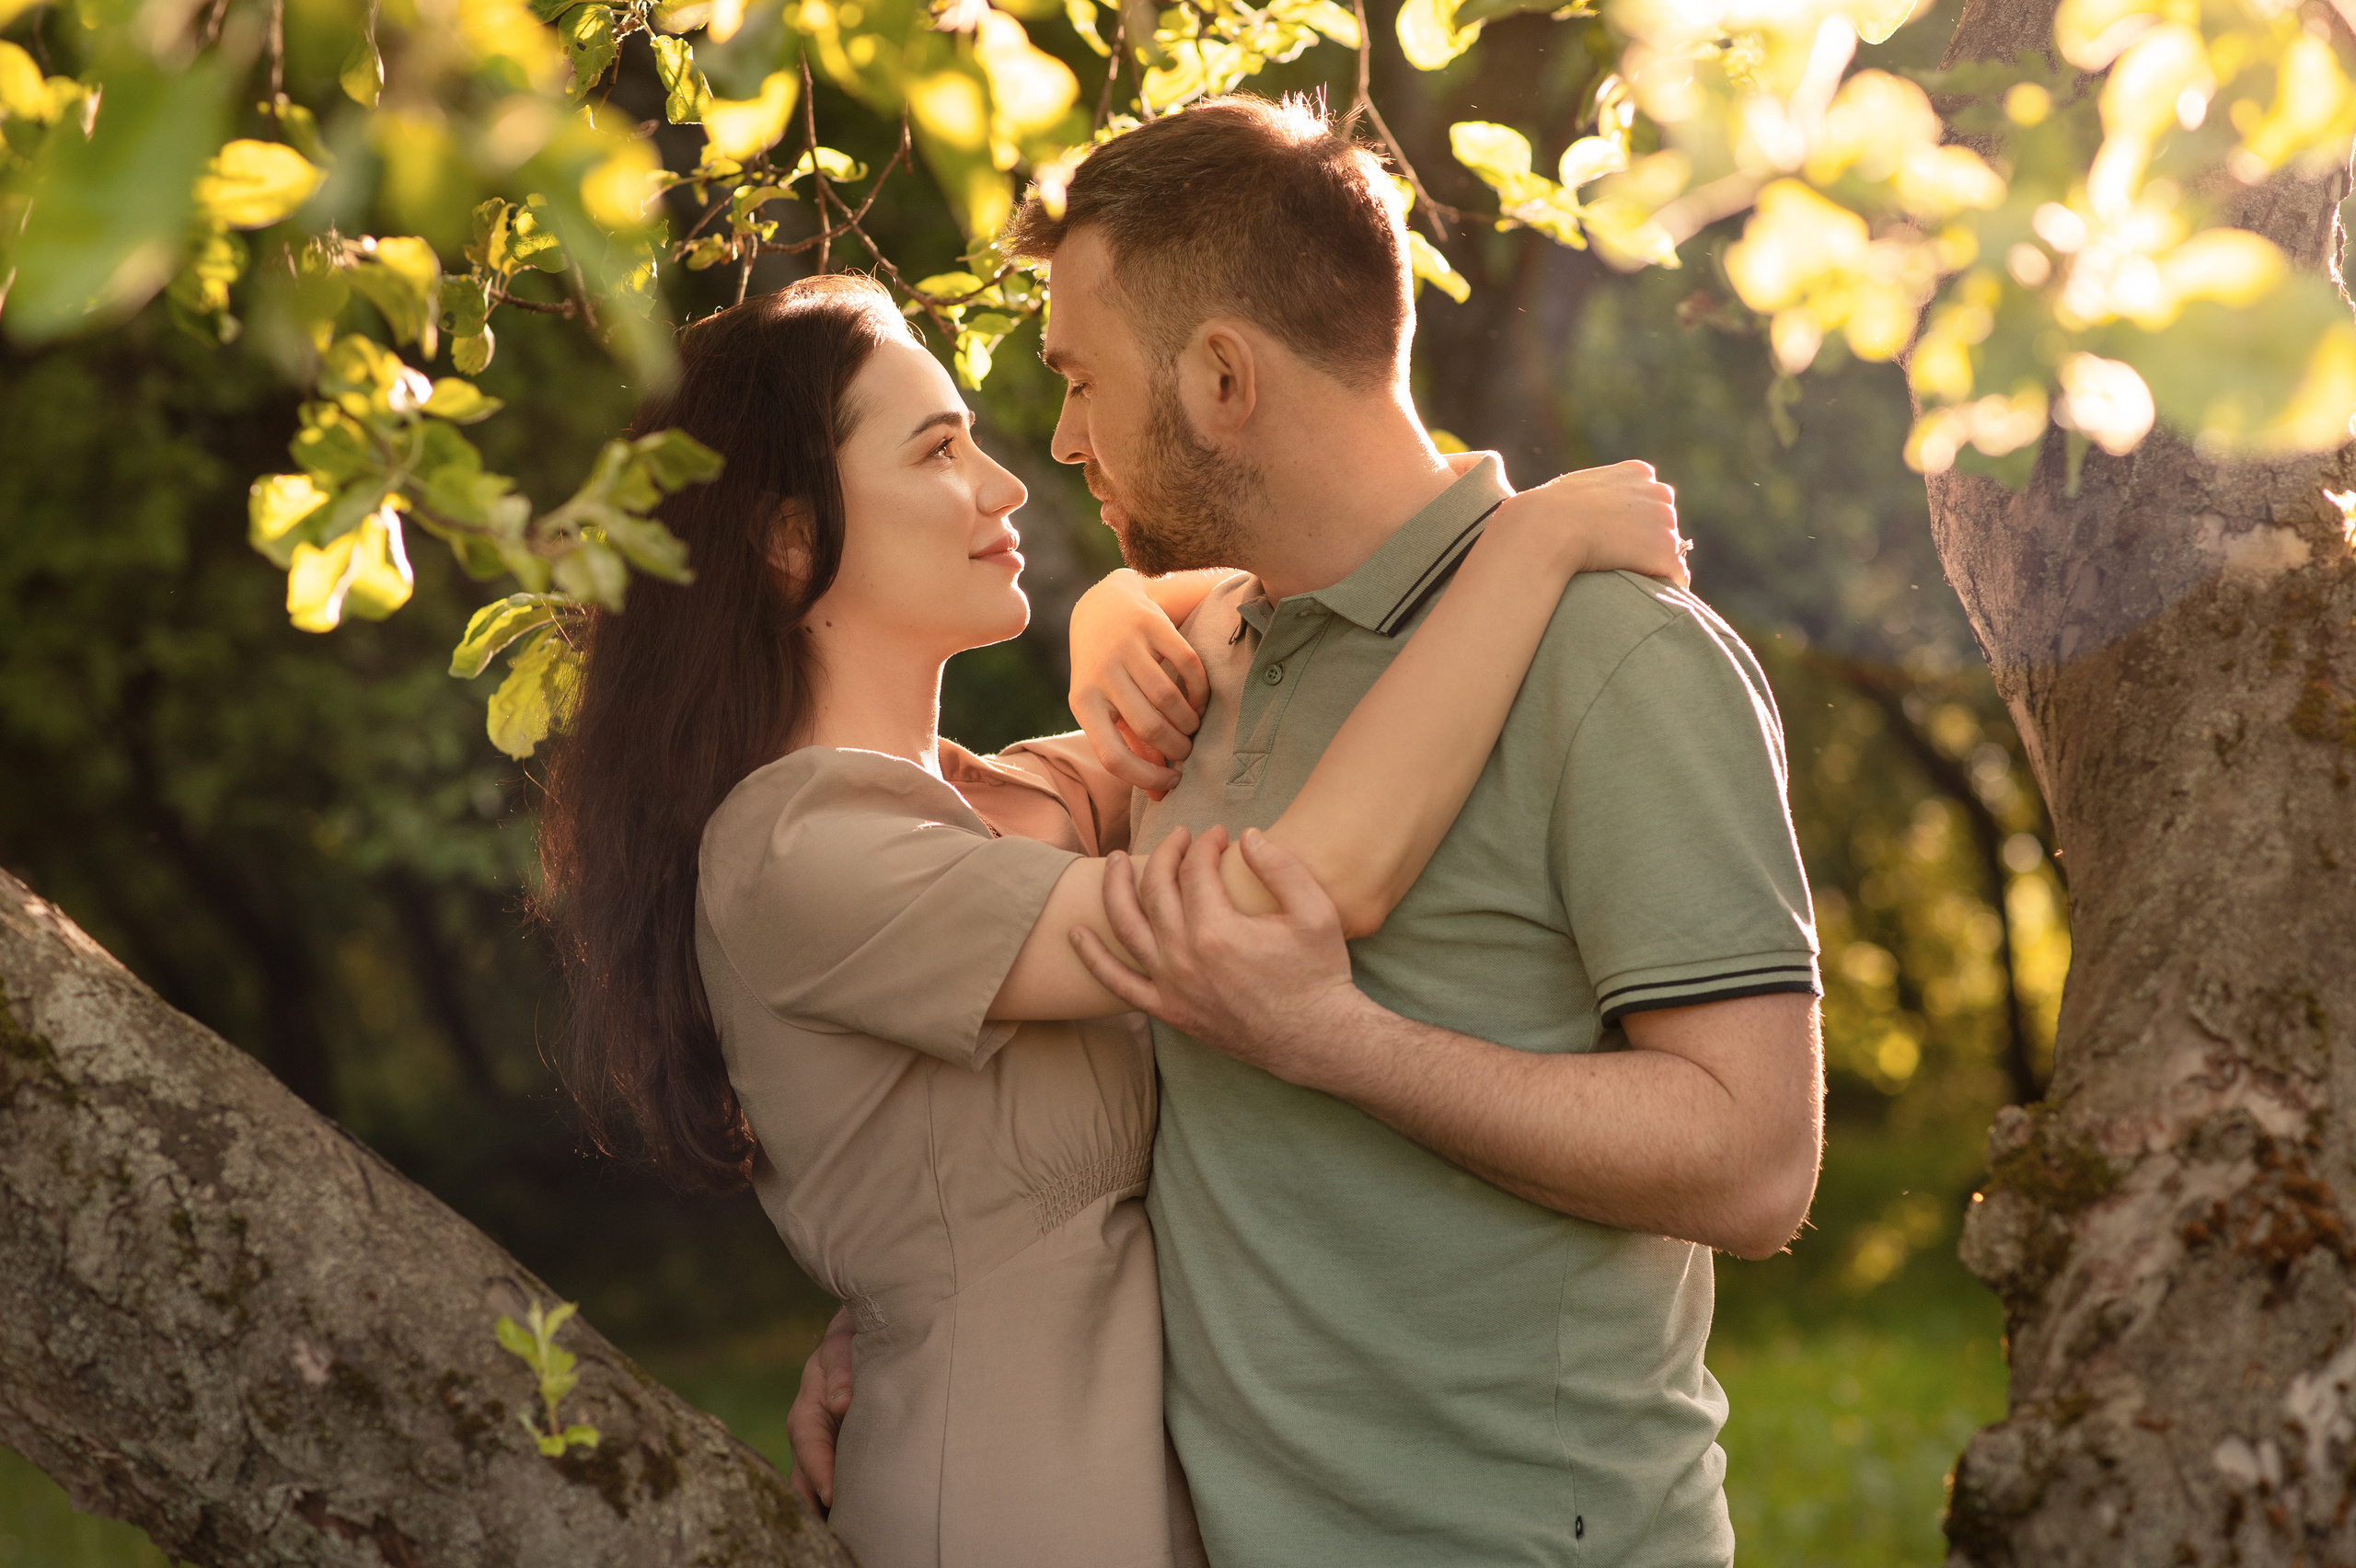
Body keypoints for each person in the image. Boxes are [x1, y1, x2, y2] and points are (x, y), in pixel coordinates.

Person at [789, 96, 1826, 1568]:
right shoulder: (1198, 662)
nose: (1068, 438)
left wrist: (1338, 1040)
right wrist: (913, 1312)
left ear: (1221, 378)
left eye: (1082, 380)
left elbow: (1753, 1161)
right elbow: (1160, 1108)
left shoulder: (1614, 656)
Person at [534, 271, 1687, 1568]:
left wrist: (1117, 608)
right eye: (939, 452)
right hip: (1013, 1509)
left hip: (1191, 1496)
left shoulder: (995, 806)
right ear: (789, 538)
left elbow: (1232, 624)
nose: (1008, 485)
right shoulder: (797, 848)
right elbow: (1291, 903)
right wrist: (1524, 548)